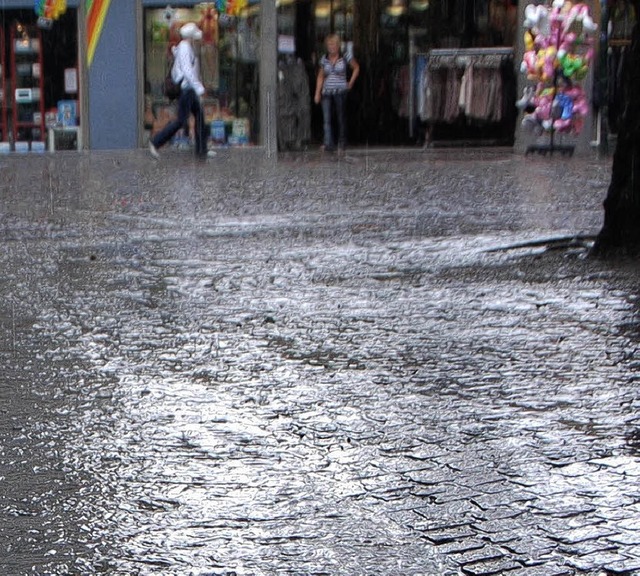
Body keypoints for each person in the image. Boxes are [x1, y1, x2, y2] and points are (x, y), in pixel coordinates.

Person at [149, 22, 215, 160]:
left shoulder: (187, 47)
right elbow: (187, 70)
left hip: (189, 89)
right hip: (186, 89)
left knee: (199, 116)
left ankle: (202, 149)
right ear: (191, 37)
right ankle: (156, 142)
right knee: (181, 120)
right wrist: (199, 88)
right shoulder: (185, 48)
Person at [314, 34, 360, 153]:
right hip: (327, 91)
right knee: (327, 119)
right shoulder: (324, 59)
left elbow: (356, 67)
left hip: (340, 91)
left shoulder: (345, 57)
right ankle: (328, 143)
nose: (331, 47)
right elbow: (320, 76)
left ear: (338, 45)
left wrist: (351, 82)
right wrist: (317, 93)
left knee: (341, 117)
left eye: (333, 44)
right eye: (329, 45)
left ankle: (342, 142)